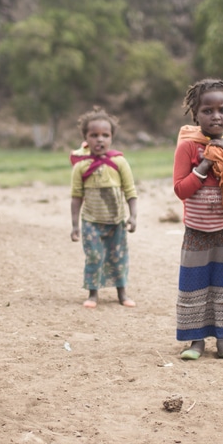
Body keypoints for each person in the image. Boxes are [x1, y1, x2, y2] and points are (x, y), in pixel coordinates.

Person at [172, 79, 223, 361]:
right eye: (207, 110)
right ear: (196, 115)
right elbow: (181, 189)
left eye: (222, 109)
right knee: (194, 285)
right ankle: (196, 342)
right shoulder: (188, 148)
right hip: (196, 231)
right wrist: (204, 165)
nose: (216, 115)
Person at [69, 107, 138, 308]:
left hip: (117, 222)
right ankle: (93, 293)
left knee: (118, 257)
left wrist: (133, 217)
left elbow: (130, 192)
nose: (100, 140)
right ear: (85, 138)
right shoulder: (81, 165)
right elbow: (76, 197)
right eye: (94, 135)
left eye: (105, 135)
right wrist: (75, 226)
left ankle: (122, 293)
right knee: (94, 256)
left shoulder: (119, 162)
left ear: (112, 137)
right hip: (91, 222)